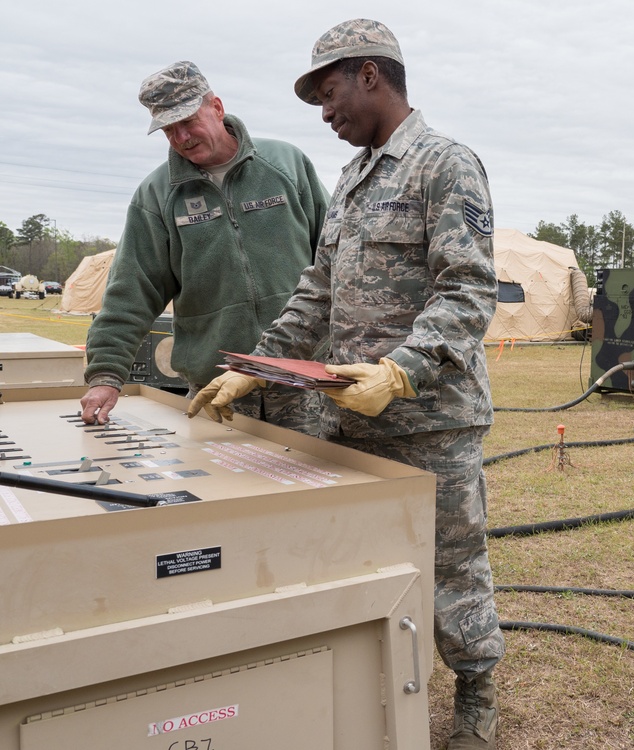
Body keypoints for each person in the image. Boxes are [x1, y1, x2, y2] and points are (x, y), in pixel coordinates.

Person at [186, 20, 504, 749]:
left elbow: (469, 291)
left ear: (370, 75)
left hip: (430, 420)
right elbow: (316, 297)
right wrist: (249, 369)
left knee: (452, 566)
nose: (324, 114)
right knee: (362, 566)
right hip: (348, 422)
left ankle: (476, 700)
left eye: (329, 95)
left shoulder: (443, 164)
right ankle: (373, 693)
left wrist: (402, 372)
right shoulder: (353, 180)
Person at [80, 61, 331, 436]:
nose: (181, 137)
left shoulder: (286, 164)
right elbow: (130, 293)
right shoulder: (158, 195)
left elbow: (335, 260)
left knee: (319, 492)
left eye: (188, 121)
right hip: (218, 391)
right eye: (168, 129)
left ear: (216, 107)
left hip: (304, 382)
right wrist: (105, 374)